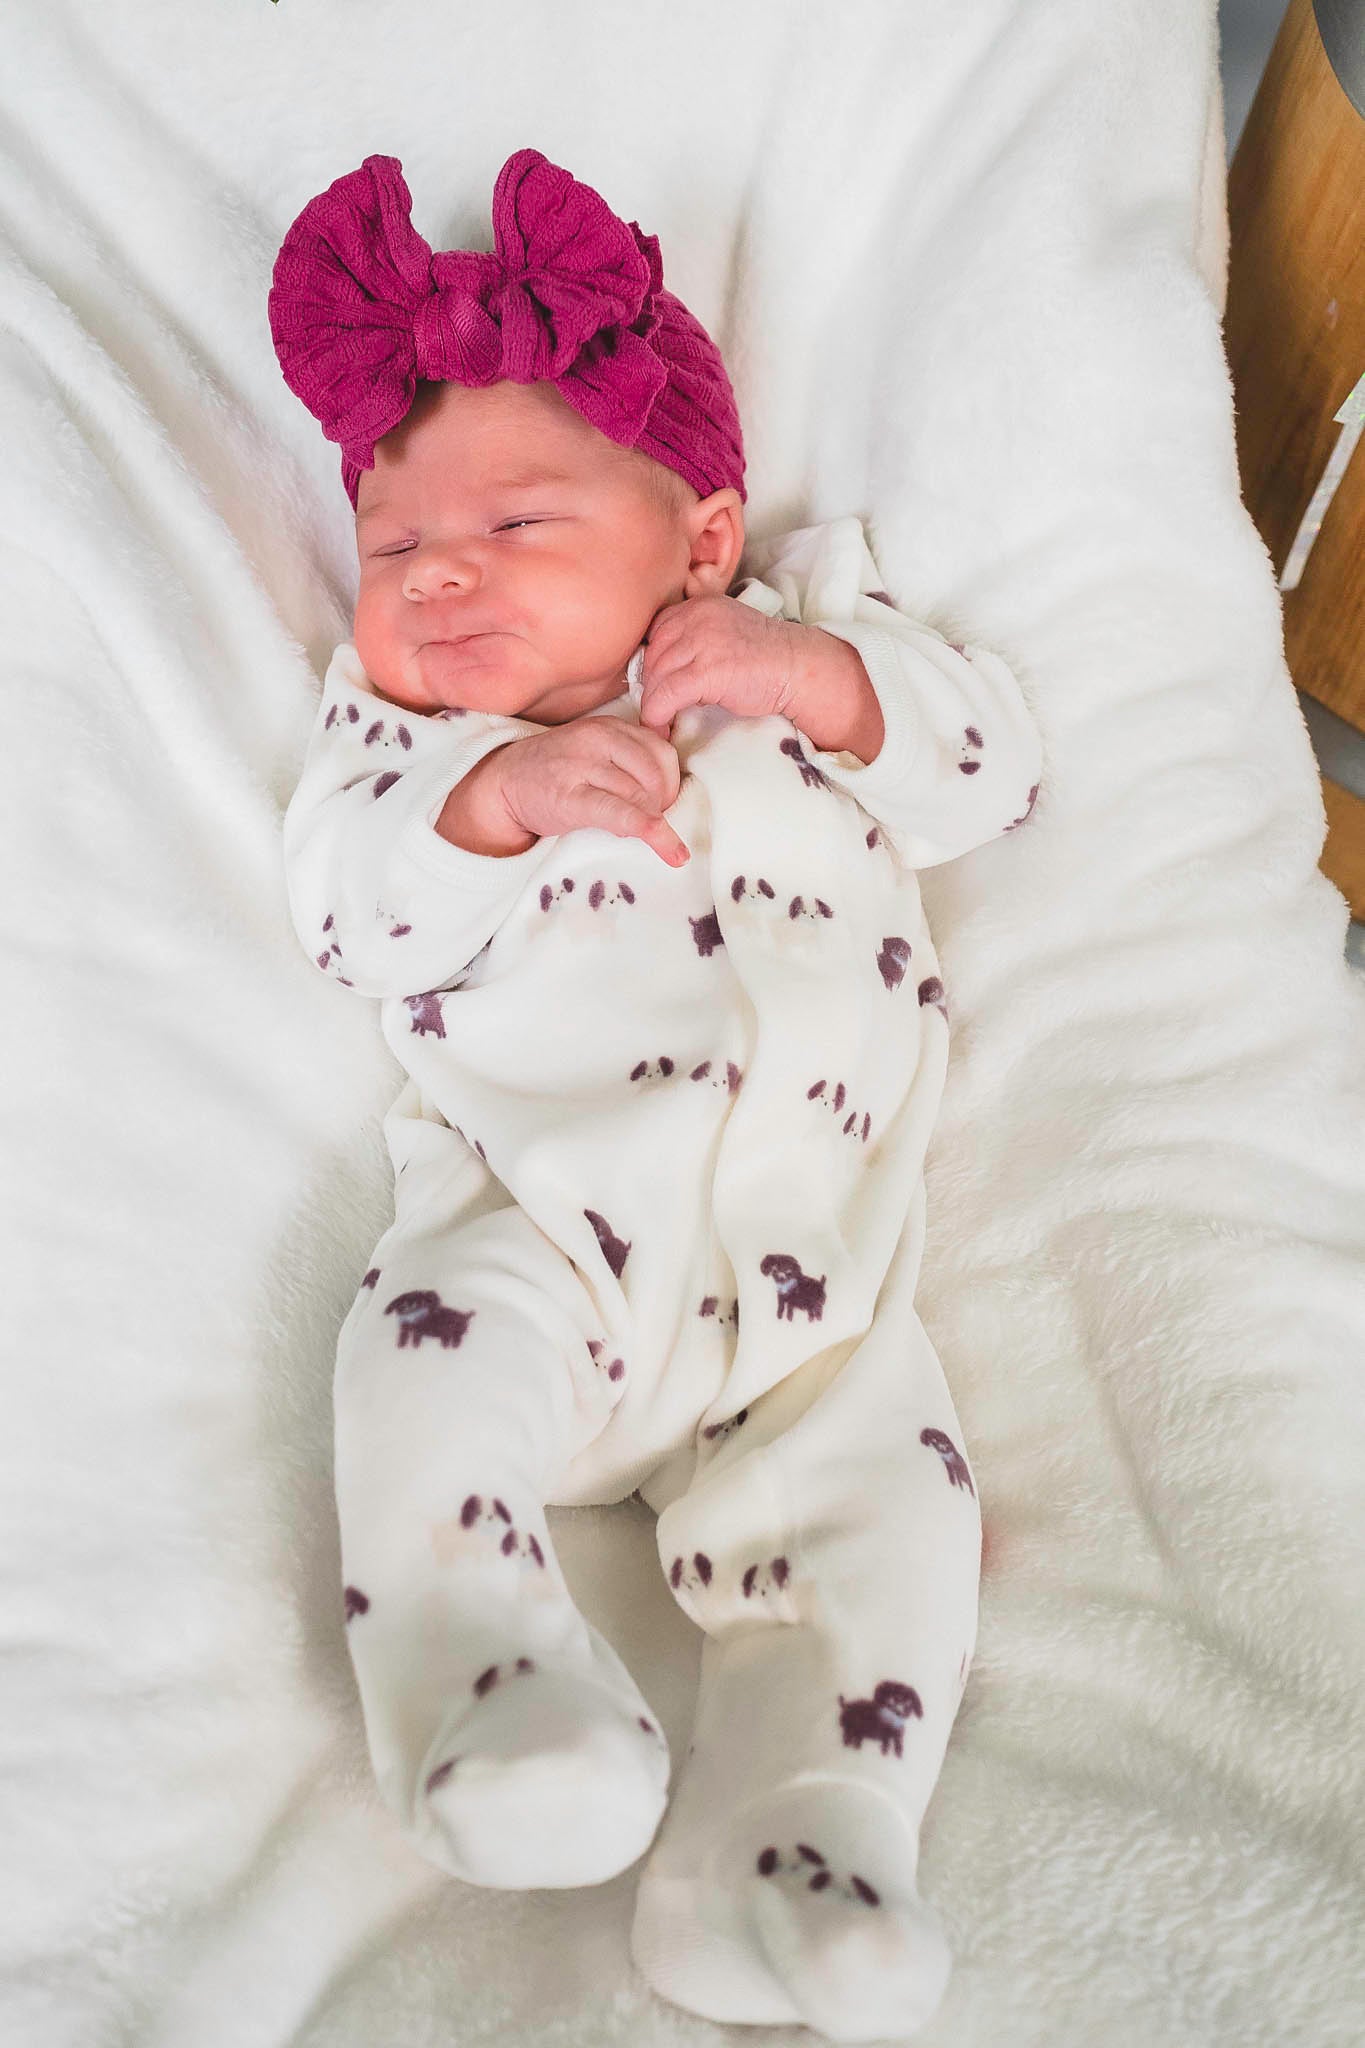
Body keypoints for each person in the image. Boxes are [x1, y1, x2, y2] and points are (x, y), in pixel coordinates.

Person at [270, 147, 1043, 2044]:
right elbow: (347, 914)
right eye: (393, 549)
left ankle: (794, 1842)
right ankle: (479, 1671)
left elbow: (989, 777)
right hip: (542, 1237)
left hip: (817, 1309)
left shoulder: (807, 647)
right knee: (424, 1364)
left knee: (896, 1526)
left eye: (514, 522)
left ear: (700, 539)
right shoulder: (408, 745)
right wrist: (488, 805)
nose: (441, 573)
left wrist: (820, 682)